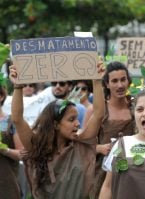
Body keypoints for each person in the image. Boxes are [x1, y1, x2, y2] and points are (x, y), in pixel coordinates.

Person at [9, 61, 105, 199]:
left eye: (77, 119)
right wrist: (18, 86)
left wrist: (97, 80)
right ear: (55, 125)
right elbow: (17, 118)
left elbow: (98, 114)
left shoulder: (82, 145)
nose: (78, 124)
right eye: (71, 120)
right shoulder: (37, 146)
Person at [85, 61, 136, 198]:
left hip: (133, 172)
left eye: (123, 80)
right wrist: (100, 148)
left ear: (128, 81)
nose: (120, 85)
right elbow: (81, 145)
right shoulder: (96, 111)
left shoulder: (137, 107)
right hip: (102, 175)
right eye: (114, 81)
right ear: (107, 84)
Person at [0, 84, 24, 199]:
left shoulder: (11, 122)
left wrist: (4, 150)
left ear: (1, 96)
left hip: (6, 187)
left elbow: (22, 154)